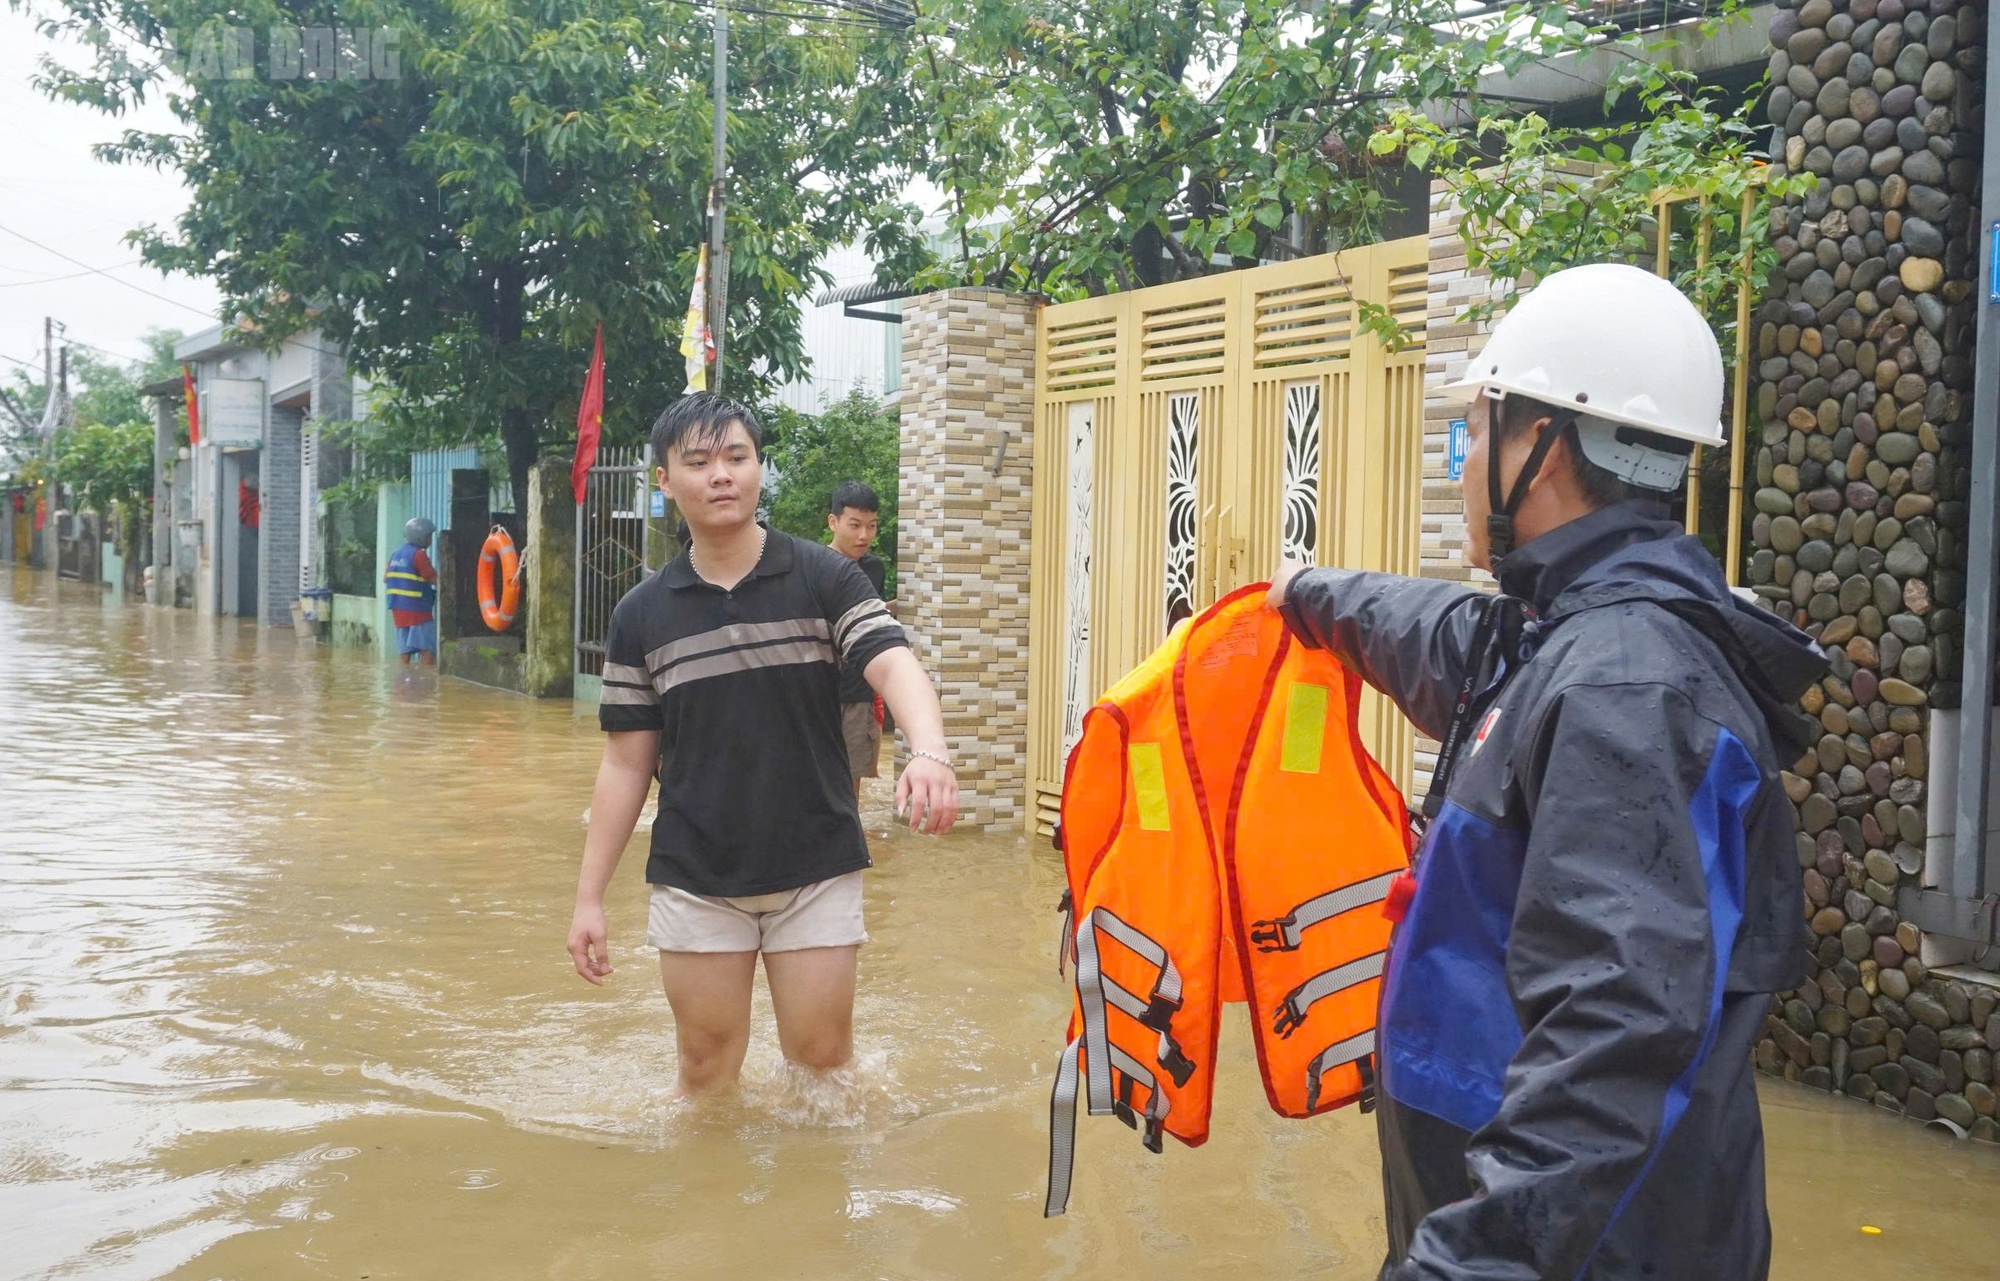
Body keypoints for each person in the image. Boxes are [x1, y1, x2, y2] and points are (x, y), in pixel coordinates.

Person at [1267, 264, 1825, 1281]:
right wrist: (1306, 593)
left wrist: (1465, 1265)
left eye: (1474, 432)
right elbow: (1440, 636)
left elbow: (1614, 1039)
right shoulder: (1565, 639)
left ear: (1544, 445)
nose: (1463, 461)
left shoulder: (1623, 690)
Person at [566, 391, 958, 1094]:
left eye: (737, 457)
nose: (721, 474)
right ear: (665, 480)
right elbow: (626, 763)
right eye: (698, 462)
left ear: (757, 467)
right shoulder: (640, 615)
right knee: (704, 1071)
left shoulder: (823, 576)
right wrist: (588, 897)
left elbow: (894, 663)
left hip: (816, 861)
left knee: (823, 1065)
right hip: (696, 874)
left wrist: (929, 752)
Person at [826, 480, 888, 796]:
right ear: (833, 522)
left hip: (858, 690)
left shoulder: (874, 569)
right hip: (818, 692)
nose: (864, 535)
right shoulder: (814, 566)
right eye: (855, 525)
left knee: (851, 780)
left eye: (871, 526)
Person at [384, 517, 438, 667]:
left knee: (404, 655)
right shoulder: (419, 555)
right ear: (420, 536)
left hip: (398, 611)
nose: (431, 540)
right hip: (418, 611)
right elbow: (433, 578)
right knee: (427, 652)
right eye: (429, 536)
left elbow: (385, 578)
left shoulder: (395, 554)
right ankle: (426, 679)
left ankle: (402, 679)